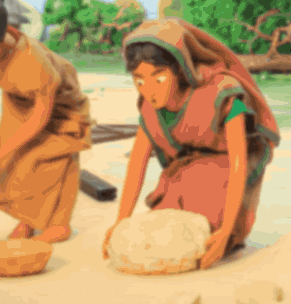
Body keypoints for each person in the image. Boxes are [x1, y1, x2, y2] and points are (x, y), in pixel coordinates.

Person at [101, 18, 280, 269]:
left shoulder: (225, 92)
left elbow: (238, 164)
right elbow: (137, 164)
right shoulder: (150, 109)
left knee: (209, 231)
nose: (149, 90)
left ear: (180, 69)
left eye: (158, 78)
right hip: (186, 171)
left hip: (228, 172)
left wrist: (227, 229)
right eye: (139, 80)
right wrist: (121, 222)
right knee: (161, 230)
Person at [0, 0, 94, 244]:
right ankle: (28, 219)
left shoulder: (34, 62)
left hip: (58, 104)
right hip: (19, 97)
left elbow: (40, 117)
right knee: (17, 160)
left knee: (51, 157)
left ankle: (59, 224)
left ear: (1, 39)